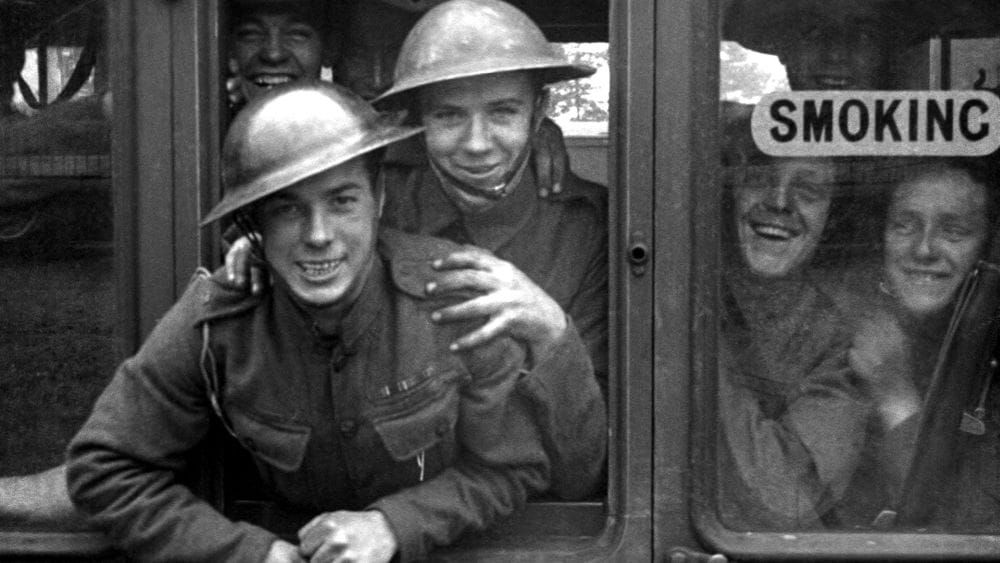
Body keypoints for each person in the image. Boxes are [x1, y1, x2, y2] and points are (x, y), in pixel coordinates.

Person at [65, 82, 551, 562]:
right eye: (288, 208)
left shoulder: (454, 298)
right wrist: (248, 554)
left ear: (378, 200)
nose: (318, 235)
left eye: (342, 201)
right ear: (254, 223)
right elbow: (104, 469)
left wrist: (396, 525)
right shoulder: (219, 318)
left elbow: (512, 467)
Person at [228, 0, 609, 500]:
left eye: (503, 111)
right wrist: (260, 252)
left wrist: (553, 332)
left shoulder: (589, 226)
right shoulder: (372, 205)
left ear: (540, 113)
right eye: (449, 115)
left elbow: (596, 466)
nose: (477, 143)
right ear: (419, 119)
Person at [837, 158, 1000, 529]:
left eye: (954, 231)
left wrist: (895, 396)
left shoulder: (988, 361)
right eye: (905, 225)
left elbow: (959, 527)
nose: (924, 249)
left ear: (986, 250)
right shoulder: (839, 332)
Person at [717, 130, 869, 529]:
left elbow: (787, 497)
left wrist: (685, 339)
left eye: (808, 191)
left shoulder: (844, 339)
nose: (779, 202)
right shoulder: (689, 285)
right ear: (731, 193)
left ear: (832, 218)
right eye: (760, 179)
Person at [722, 0, 944, 91]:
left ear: (887, 51)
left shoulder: (924, 152)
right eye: (813, 32)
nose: (836, 54)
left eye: (864, 35)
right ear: (784, 46)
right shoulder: (742, 150)